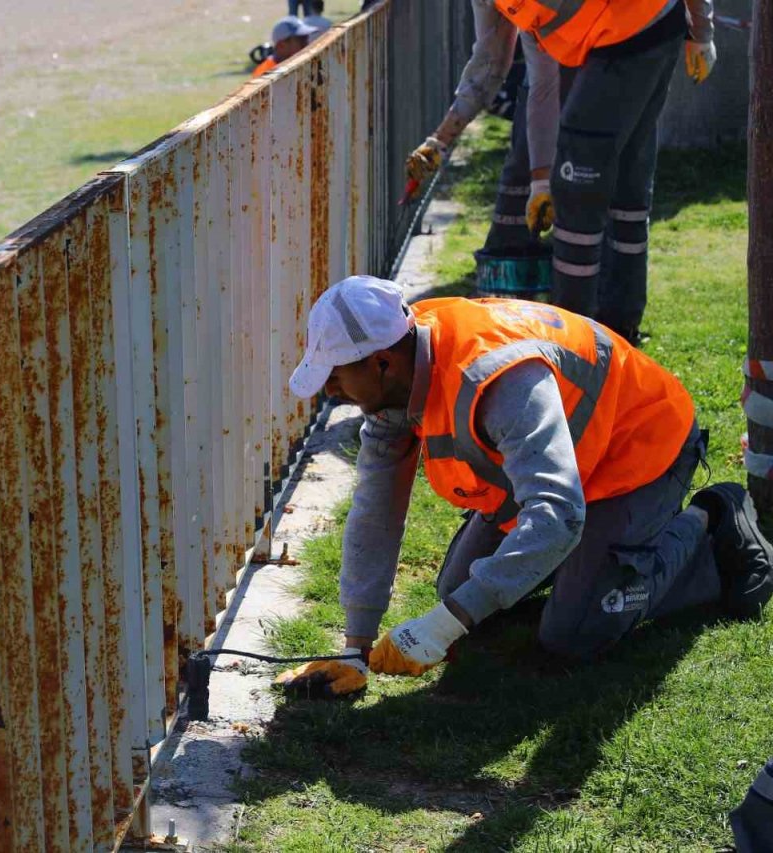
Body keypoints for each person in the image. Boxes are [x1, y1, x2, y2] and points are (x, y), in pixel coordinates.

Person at [275, 276, 772, 698]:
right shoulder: (398, 369)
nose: (330, 390)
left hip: (638, 451)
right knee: (458, 592)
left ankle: (711, 521)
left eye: (335, 375)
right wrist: (355, 648)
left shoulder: (499, 378)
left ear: (381, 362)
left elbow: (557, 514)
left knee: (572, 634)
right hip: (565, 463)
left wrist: (446, 623)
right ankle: (582, 566)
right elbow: (375, 509)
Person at [494, 0, 718, 344]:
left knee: (576, 184)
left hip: (628, 36)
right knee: (628, 184)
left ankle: (572, 338)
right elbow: (542, 82)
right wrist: (540, 179)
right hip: (650, 30)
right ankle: (618, 326)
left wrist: (702, 29)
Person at [405, 1, 562, 254]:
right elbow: (490, 60)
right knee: (524, 162)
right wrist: (439, 141)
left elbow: (546, 83)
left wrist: (542, 182)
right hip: (549, 72)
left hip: (605, 58)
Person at [252, 16, 318, 77]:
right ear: (281, 45)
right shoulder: (265, 73)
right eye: (301, 40)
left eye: (306, 39)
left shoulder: (299, 64)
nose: (307, 44)